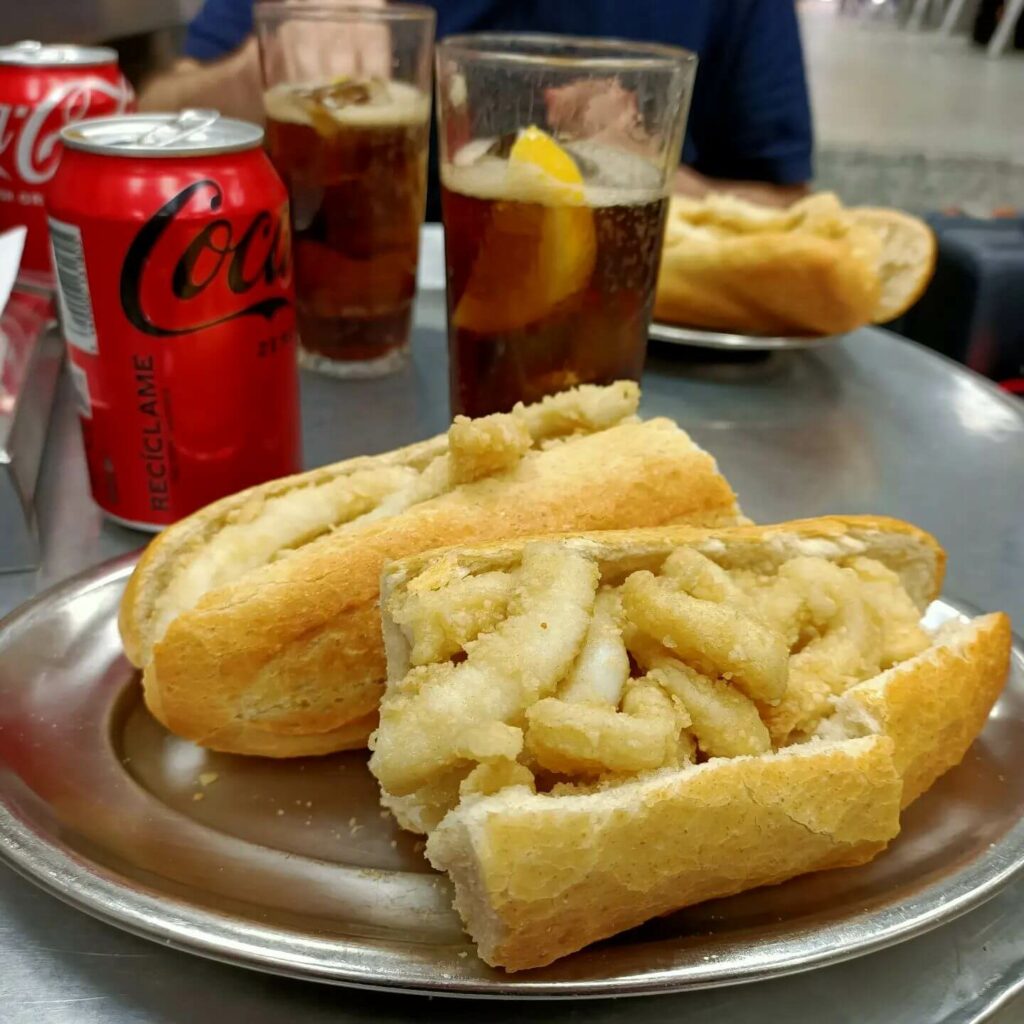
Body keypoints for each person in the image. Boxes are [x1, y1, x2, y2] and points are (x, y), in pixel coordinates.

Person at [141, 0, 813, 211]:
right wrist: (263, 63)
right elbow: (152, 119)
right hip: (334, 348)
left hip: (649, 357)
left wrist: (651, 175)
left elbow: (789, 206)